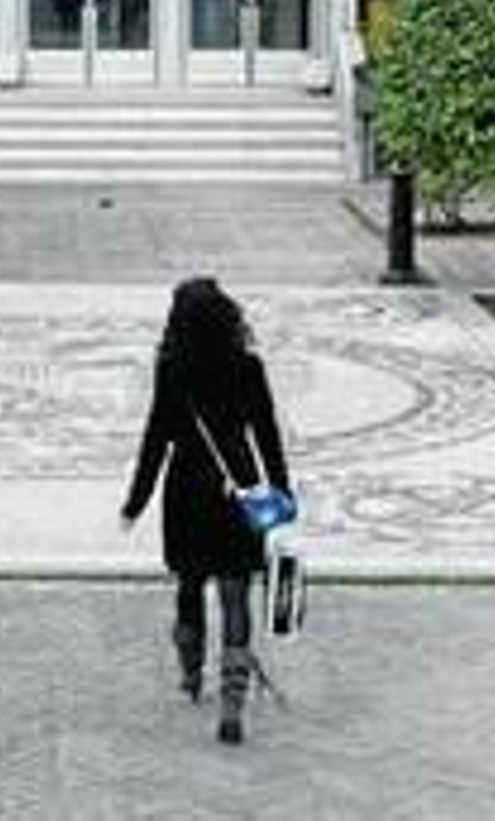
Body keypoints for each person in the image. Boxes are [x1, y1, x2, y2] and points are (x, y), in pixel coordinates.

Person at [120, 276, 292, 746]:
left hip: (186, 490)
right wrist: (281, 494)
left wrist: (136, 502)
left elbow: (156, 439)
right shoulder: (248, 367)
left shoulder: (172, 369)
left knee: (190, 584)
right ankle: (233, 701)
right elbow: (267, 434)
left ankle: (191, 672)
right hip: (239, 489)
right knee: (236, 594)